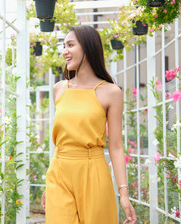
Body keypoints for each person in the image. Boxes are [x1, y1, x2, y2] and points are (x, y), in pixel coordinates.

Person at [40, 25, 137, 224]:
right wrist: (48, 184)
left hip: (93, 173)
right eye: (64, 45)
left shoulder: (111, 92)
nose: (64, 51)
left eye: (70, 45)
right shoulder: (59, 89)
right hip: (59, 174)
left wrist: (124, 194)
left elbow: (116, 146)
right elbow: (61, 142)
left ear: (88, 47)